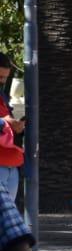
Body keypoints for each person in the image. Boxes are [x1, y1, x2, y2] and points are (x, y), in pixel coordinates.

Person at [0, 52, 24, 210]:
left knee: (8, 217)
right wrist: (7, 121)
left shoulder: (3, 96)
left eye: (4, 77)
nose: (2, 81)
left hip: (11, 163)